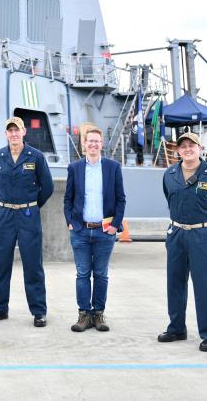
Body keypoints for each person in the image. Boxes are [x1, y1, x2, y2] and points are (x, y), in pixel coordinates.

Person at [159, 132, 207, 352]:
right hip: (177, 234)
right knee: (175, 283)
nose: (187, 149)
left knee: (206, 285)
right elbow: (171, 199)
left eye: (192, 145)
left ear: (200, 148)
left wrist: (206, 223)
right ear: (178, 151)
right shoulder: (170, 174)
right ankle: (176, 328)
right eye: (183, 146)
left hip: (204, 237)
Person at [0, 116, 54, 327]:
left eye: (17, 130)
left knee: (33, 265)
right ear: (6, 134)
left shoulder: (36, 157)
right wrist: (7, 203)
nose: (14, 134)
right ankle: (0, 308)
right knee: (1, 265)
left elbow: (47, 187)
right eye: (10, 130)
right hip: (5, 215)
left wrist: (31, 205)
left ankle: (39, 311)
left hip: (28, 215)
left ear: (24, 132)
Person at [63, 127, 126, 332]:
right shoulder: (74, 168)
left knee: (100, 274)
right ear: (84, 144)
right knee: (82, 274)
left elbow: (120, 199)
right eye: (89, 141)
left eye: (96, 141)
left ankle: (98, 314)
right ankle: (84, 314)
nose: (93, 144)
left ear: (101, 144)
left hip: (104, 231)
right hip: (80, 230)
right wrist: (70, 222)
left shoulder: (113, 167)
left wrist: (115, 225)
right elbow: (68, 198)